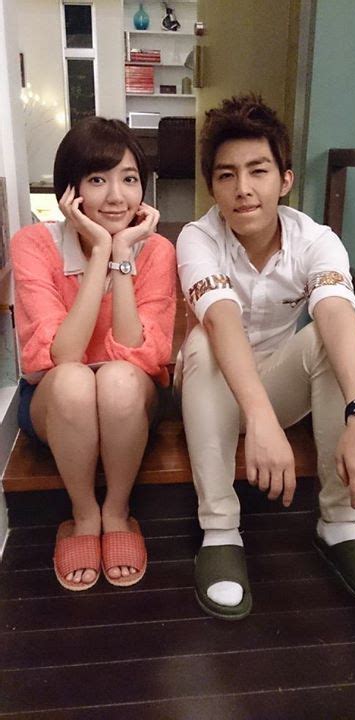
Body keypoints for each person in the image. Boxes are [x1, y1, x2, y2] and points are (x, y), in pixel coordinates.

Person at [175, 94, 355, 620]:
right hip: (211, 390)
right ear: (213, 187)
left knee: (324, 337)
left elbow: (338, 316)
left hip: (277, 385)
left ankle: (341, 522)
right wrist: (258, 418)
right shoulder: (196, 237)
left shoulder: (315, 240)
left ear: (285, 180)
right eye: (227, 175)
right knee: (205, 339)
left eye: (258, 170)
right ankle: (220, 530)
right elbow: (221, 320)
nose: (243, 188)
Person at [11, 117, 176, 591]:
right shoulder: (33, 244)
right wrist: (101, 250)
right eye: (98, 180)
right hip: (57, 402)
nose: (117, 197)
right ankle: (84, 516)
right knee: (75, 378)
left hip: (130, 398)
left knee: (118, 377)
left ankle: (117, 512)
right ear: (71, 190)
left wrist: (123, 254)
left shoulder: (156, 250)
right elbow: (61, 356)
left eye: (129, 179)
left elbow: (139, 355)